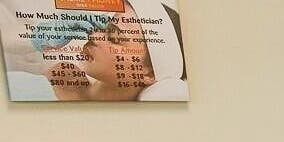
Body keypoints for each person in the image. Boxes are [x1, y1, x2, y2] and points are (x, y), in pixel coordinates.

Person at [1, 0, 185, 101]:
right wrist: (34, 37)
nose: (94, 36)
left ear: (149, 73)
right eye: (104, 27)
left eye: (115, 38)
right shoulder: (63, 72)